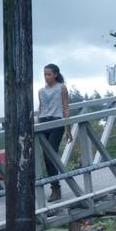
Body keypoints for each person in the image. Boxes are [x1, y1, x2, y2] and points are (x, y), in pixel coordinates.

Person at [37, 63, 72, 202]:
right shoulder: (41, 91)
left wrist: (68, 128)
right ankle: (54, 186)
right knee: (46, 157)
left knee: (51, 154)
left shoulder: (61, 88)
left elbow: (66, 107)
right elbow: (41, 109)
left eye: (49, 74)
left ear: (55, 74)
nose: (46, 77)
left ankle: (56, 188)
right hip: (44, 122)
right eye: (45, 74)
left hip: (56, 122)